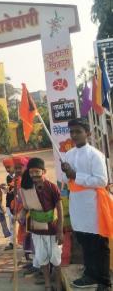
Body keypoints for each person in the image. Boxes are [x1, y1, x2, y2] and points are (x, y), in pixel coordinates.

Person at [61, 118, 112, 290]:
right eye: (72, 132)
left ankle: (104, 280)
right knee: (84, 241)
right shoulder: (68, 154)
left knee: (98, 244)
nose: (74, 135)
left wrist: (76, 175)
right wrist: (66, 172)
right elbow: (65, 180)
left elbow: (101, 180)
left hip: (93, 205)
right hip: (77, 204)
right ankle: (90, 274)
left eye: (78, 131)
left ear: (87, 133)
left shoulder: (95, 155)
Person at [21, 158, 64, 291]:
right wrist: (20, 215)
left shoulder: (52, 187)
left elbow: (60, 208)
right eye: (31, 172)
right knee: (42, 258)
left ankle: (57, 283)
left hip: (52, 229)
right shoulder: (27, 189)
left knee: (56, 259)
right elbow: (26, 207)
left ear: (43, 171)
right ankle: (47, 284)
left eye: (37, 171)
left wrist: (60, 230)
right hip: (37, 229)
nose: (34, 175)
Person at [2, 157, 16, 250]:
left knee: (22, 223)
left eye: (9, 167)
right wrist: (4, 188)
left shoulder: (19, 176)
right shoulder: (8, 177)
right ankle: (11, 242)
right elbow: (8, 190)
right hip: (9, 202)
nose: (7, 169)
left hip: (18, 202)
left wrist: (10, 189)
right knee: (11, 222)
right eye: (6, 167)